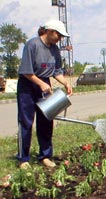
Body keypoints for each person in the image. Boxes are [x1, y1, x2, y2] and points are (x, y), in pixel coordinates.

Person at [17, 20, 73, 169]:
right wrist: (41, 84)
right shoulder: (33, 45)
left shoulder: (55, 50)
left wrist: (65, 83)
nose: (59, 38)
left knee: (46, 121)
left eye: (61, 36)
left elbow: (57, 72)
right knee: (26, 122)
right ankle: (23, 159)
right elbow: (27, 71)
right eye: (58, 35)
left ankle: (45, 156)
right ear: (49, 30)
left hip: (44, 84)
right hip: (28, 84)